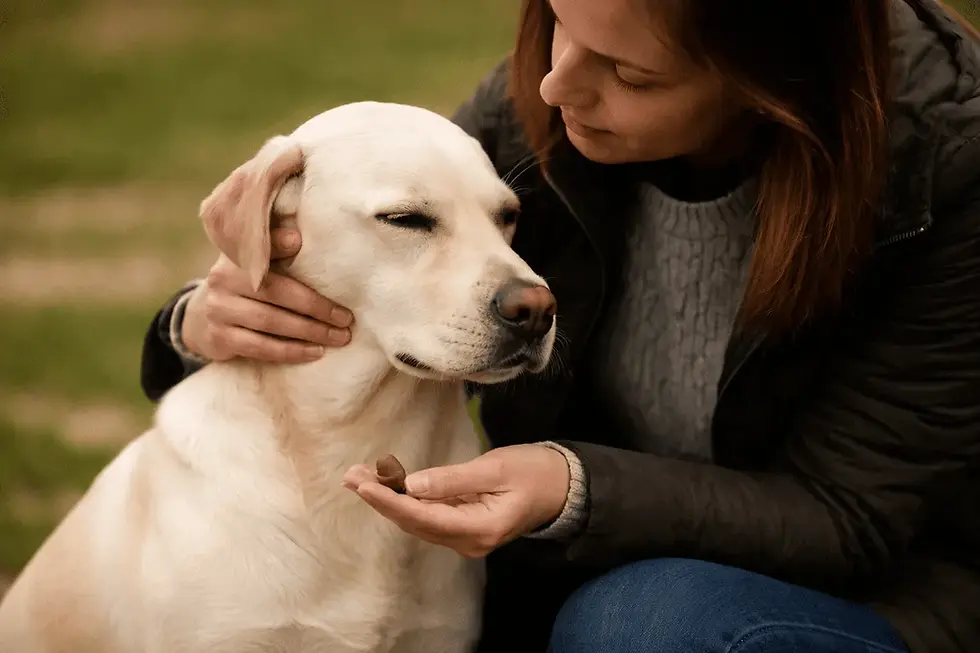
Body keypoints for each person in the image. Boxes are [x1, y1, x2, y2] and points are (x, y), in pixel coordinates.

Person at [139, 0, 980, 651]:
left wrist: (571, 488)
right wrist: (200, 320)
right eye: (554, 23)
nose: (553, 84)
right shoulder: (554, 99)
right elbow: (375, 237)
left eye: (630, 73)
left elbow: (851, 521)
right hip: (584, 560)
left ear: (769, 81)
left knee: (641, 625)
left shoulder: (947, 168)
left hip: (868, 597)